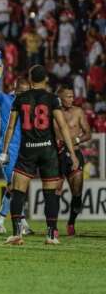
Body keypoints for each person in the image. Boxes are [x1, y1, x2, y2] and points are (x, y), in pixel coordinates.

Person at [0, 65, 79, 246]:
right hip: (48, 150)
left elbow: (10, 127)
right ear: (46, 80)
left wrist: (4, 151)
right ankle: (51, 235)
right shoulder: (52, 99)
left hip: (27, 150)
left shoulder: (20, 99)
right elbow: (63, 127)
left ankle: (17, 234)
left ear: (29, 78)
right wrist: (72, 153)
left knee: (18, 191)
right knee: (50, 194)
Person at [0, 60, 33, 235]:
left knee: (17, 186)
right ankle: (21, 222)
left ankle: (0, 220)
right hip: (7, 149)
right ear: (16, 91)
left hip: (24, 149)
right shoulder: (7, 99)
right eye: (24, 92)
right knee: (14, 186)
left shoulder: (30, 105)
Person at [54, 86, 91, 236]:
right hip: (57, 155)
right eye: (68, 96)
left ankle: (71, 222)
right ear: (60, 98)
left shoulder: (78, 112)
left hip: (75, 153)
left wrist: (76, 139)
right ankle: (53, 227)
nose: (71, 99)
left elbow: (88, 133)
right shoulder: (53, 113)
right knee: (55, 192)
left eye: (72, 96)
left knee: (77, 193)